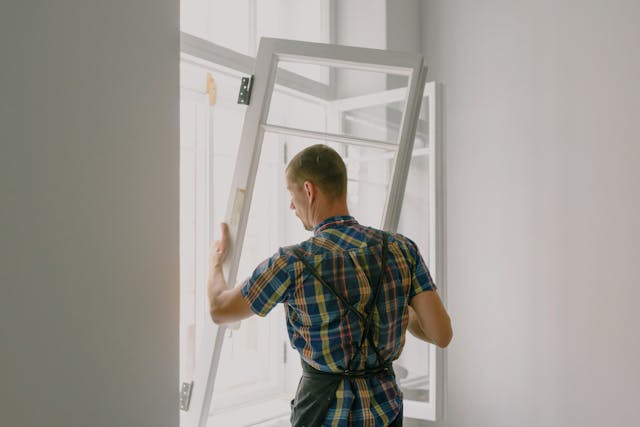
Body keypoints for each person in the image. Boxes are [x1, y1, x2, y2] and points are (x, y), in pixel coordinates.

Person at [208, 144, 452, 426]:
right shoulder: (400, 248)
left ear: (309, 191)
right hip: (386, 413)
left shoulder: (292, 263)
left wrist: (215, 264)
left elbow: (219, 309)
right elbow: (441, 334)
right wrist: (399, 310)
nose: (291, 205)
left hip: (322, 416)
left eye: (291, 193)